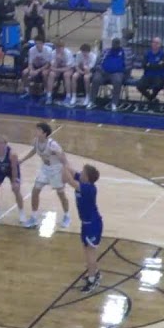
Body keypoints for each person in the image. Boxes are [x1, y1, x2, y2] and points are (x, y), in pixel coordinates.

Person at [20, 122, 71, 229]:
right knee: (35, 191)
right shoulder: (36, 141)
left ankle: (67, 215)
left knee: (61, 195)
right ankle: (34, 217)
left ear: (45, 133)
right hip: (45, 169)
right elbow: (34, 151)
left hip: (57, 170)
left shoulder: (53, 145)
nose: (36, 131)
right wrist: (22, 160)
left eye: (38, 130)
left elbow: (64, 159)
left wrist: (65, 172)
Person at [63, 164, 104, 292]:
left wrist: (58, 166)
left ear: (86, 177)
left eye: (82, 172)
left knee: (90, 253)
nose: (79, 173)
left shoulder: (88, 188)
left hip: (93, 224)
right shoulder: (83, 181)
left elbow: (69, 180)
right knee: (87, 250)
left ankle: (92, 280)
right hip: (86, 223)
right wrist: (61, 159)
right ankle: (95, 273)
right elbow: (70, 169)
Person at [0, 135, 27, 224]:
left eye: (2, 143)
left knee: (16, 190)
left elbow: (14, 168)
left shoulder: (12, 154)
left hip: (11, 170)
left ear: (6, 144)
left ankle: (22, 213)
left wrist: (15, 181)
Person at [137, 36, 164, 106]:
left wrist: (150, 65)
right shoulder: (147, 53)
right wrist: (155, 65)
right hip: (147, 75)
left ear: (160, 45)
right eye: (153, 42)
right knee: (139, 86)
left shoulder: (163, 54)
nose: (154, 44)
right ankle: (151, 98)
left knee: (158, 86)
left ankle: (151, 98)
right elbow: (144, 65)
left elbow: (161, 65)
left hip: (159, 75)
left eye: (156, 43)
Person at [45, 40, 75, 105]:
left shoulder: (68, 53)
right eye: (57, 48)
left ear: (63, 47)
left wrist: (57, 70)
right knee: (51, 74)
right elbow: (52, 66)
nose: (59, 49)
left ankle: (68, 96)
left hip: (68, 69)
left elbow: (68, 67)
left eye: (60, 48)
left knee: (66, 75)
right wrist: (57, 59)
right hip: (58, 68)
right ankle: (49, 95)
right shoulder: (53, 53)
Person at [70, 43, 98, 108]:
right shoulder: (79, 54)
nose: (84, 54)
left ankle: (87, 96)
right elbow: (76, 66)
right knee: (74, 76)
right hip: (81, 69)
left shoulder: (93, 56)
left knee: (86, 77)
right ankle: (74, 96)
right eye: (83, 52)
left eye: (85, 52)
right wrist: (80, 71)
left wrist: (84, 70)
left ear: (89, 52)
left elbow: (89, 69)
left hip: (90, 70)